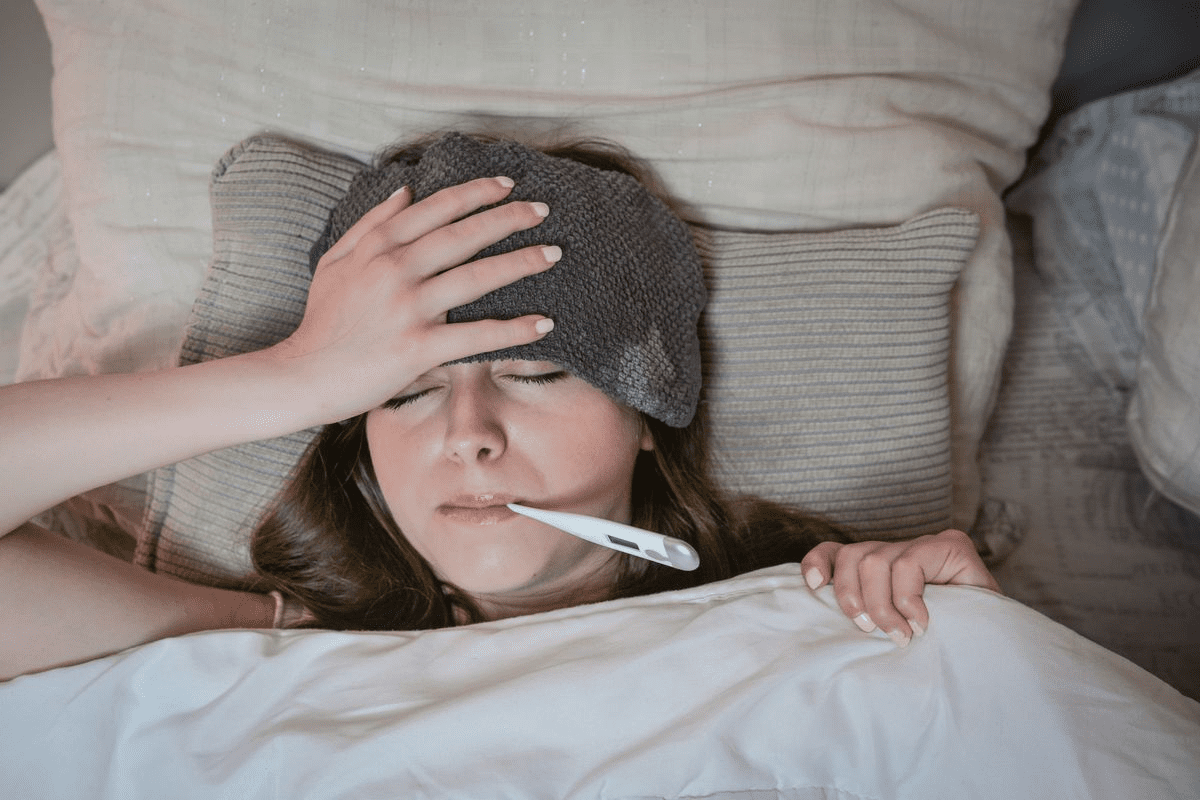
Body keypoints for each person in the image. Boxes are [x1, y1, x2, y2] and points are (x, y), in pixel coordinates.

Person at [0, 133, 998, 680]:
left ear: (650, 419)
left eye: (536, 373)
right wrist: (298, 375)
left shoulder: (813, 620)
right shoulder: (277, 645)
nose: (467, 436)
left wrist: (979, 643)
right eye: (407, 391)